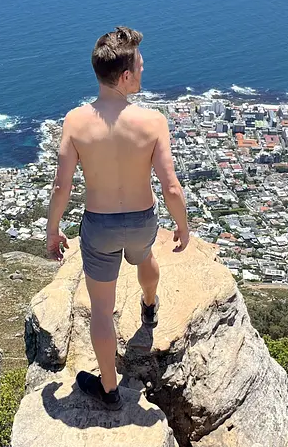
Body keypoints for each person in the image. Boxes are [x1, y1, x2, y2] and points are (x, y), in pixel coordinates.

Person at [46, 26, 189, 410]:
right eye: (140, 65)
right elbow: (171, 186)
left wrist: (53, 230)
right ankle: (149, 304)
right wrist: (183, 224)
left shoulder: (75, 121)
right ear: (125, 76)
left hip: (100, 226)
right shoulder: (152, 122)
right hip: (142, 220)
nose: (144, 70)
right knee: (145, 258)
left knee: (101, 311)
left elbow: (62, 188)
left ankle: (109, 390)